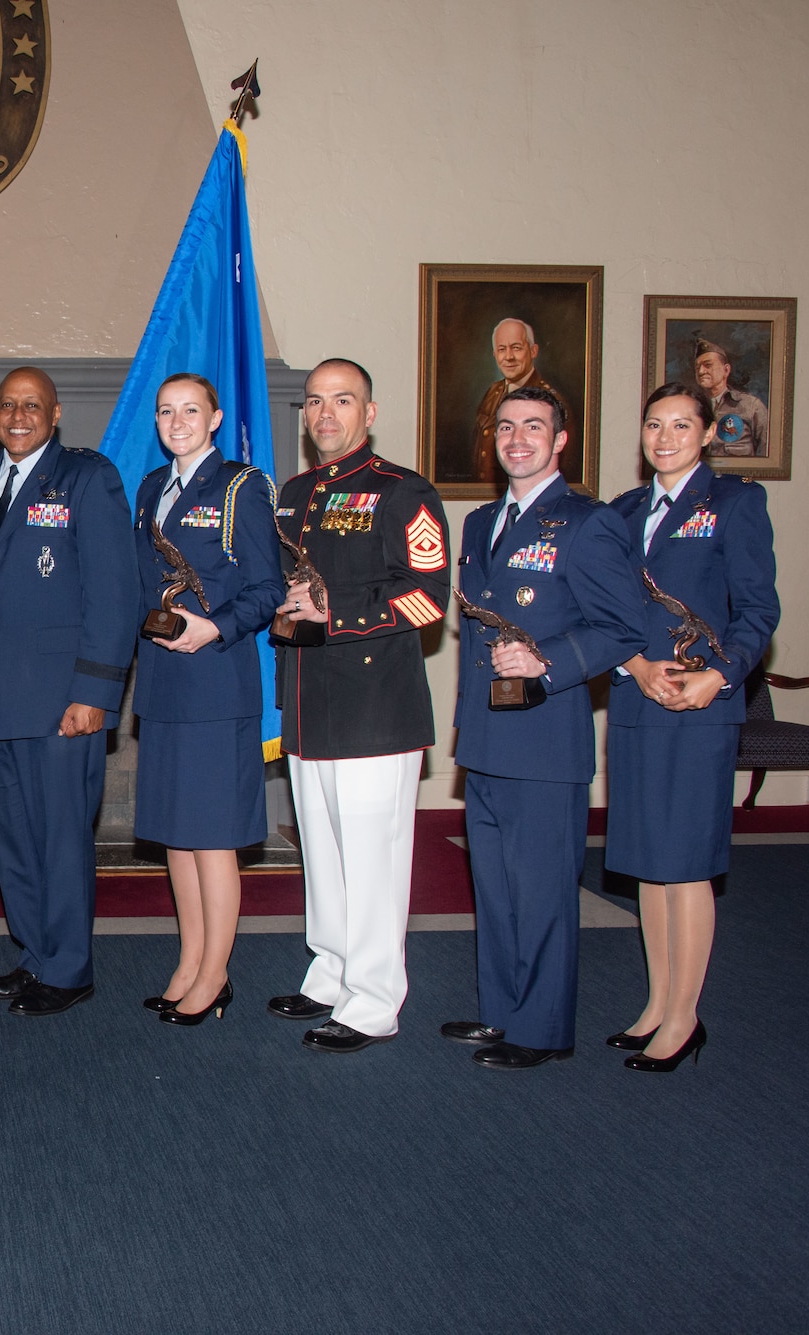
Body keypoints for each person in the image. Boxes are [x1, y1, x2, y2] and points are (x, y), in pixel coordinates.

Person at [442, 385, 646, 1070]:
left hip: (546, 739)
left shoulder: (587, 523)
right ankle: (503, 1011)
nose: (518, 437)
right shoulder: (479, 523)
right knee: (495, 890)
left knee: (543, 890)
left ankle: (544, 1027)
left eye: (534, 426)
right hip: (488, 736)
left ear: (561, 440)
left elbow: (625, 627)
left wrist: (547, 660)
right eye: (505, 425)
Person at [0, 366, 138, 1017]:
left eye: (33, 405)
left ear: (55, 414)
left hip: (64, 705)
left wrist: (94, 692)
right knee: (15, 840)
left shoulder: (88, 478)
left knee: (61, 839)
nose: (19, 415)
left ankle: (69, 966)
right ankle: (33, 954)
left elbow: (114, 596)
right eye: (8, 405)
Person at [269, 359, 449, 1054]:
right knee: (323, 851)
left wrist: (336, 610)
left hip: (377, 705)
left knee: (372, 860)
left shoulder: (405, 491)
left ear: (369, 413)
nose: (326, 414)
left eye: (342, 400)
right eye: (315, 401)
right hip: (311, 701)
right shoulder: (295, 492)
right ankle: (332, 968)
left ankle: (374, 1000)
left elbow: (427, 596)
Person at [604, 384, 779, 1071]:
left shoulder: (734, 504)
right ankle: (655, 1001)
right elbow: (607, 609)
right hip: (639, 698)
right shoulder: (622, 512)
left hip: (700, 706)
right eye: (654, 423)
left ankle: (685, 1016)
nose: (666, 436)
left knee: (687, 863)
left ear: (707, 433)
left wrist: (721, 675)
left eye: (682, 424)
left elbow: (758, 608)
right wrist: (635, 664)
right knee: (649, 859)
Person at [131, 373, 284, 1027]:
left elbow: (269, 587)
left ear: (215, 418)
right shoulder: (150, 490)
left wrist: (215, 625)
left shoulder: (241, 488)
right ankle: (191, 960)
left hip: (217, 681)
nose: (177, 420)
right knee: (178, 835)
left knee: (214, 837)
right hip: (164, 684)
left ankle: (216, 974)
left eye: (191, 409)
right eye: (167, 411)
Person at [471, 319, 571, 485]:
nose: (509, 357)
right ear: (495, 354)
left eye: (516, 348)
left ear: (533, 351)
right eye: (502, 349)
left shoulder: (551, 404)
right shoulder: (492, 394)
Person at [692, 338, 770, 458]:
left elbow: (767, 453)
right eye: (697, 368)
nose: (701, 371)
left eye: (708, 365)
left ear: (726, 370)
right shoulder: (689, 407)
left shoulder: (751, 406)